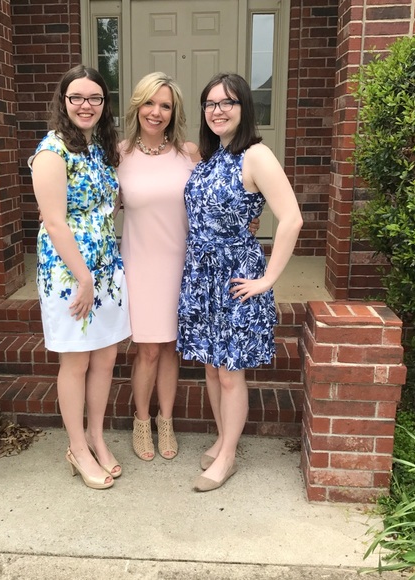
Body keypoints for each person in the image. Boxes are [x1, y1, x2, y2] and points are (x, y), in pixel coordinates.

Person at [177, 73, 303, 492]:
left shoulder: (256, 155)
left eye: (227, 103)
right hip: (202, 275)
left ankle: (228, 456)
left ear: (244, 107)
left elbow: (292, 218)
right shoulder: (213, 155)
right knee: (212, 368)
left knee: (230, 372)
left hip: (235, 276)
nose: (217, 111)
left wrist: (268, 278)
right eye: (210, 104)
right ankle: (222, 439)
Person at [29, 65, 131, 490]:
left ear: (104, 104)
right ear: (63, 101)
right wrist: (84, 278)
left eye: (95, 98)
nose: (85, 105)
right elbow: (54, 222)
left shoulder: (101, 148)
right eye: (77, 97)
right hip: (70, 272)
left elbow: (110, 203)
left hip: (107, 266)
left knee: (105, 357)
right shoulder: (52, 151)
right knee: (76, 360)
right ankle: (76, 447)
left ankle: (96, 437)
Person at [117, 72, 199, 462]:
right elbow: (99, 205)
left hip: (181, 263)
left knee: (170, 348)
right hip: (140, 264)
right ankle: (141, 420)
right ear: (137, 106)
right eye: (150, 103)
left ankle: (166, 420)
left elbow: (215, 200)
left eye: (165, 105)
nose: (156, 112)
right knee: (148, 349)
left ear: (174, 112)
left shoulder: (189, 154)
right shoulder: (119, 155)